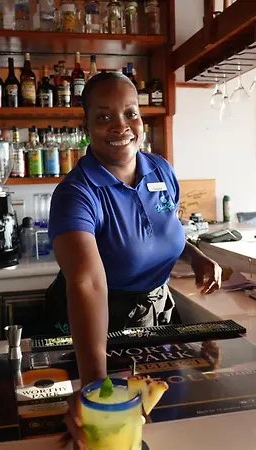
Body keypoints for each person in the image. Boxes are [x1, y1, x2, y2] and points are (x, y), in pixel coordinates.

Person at [44, 71, 222, 448]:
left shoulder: (160, 169)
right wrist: (94, 385)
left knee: (163, 424)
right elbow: (87, 282)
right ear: (86, 125)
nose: (121, 126)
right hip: (99, 327)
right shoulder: (76, 193)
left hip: (156, 319)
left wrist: (195, 256)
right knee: (105, 433)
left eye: (130, 113)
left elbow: (163, 229)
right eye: (104, 116)